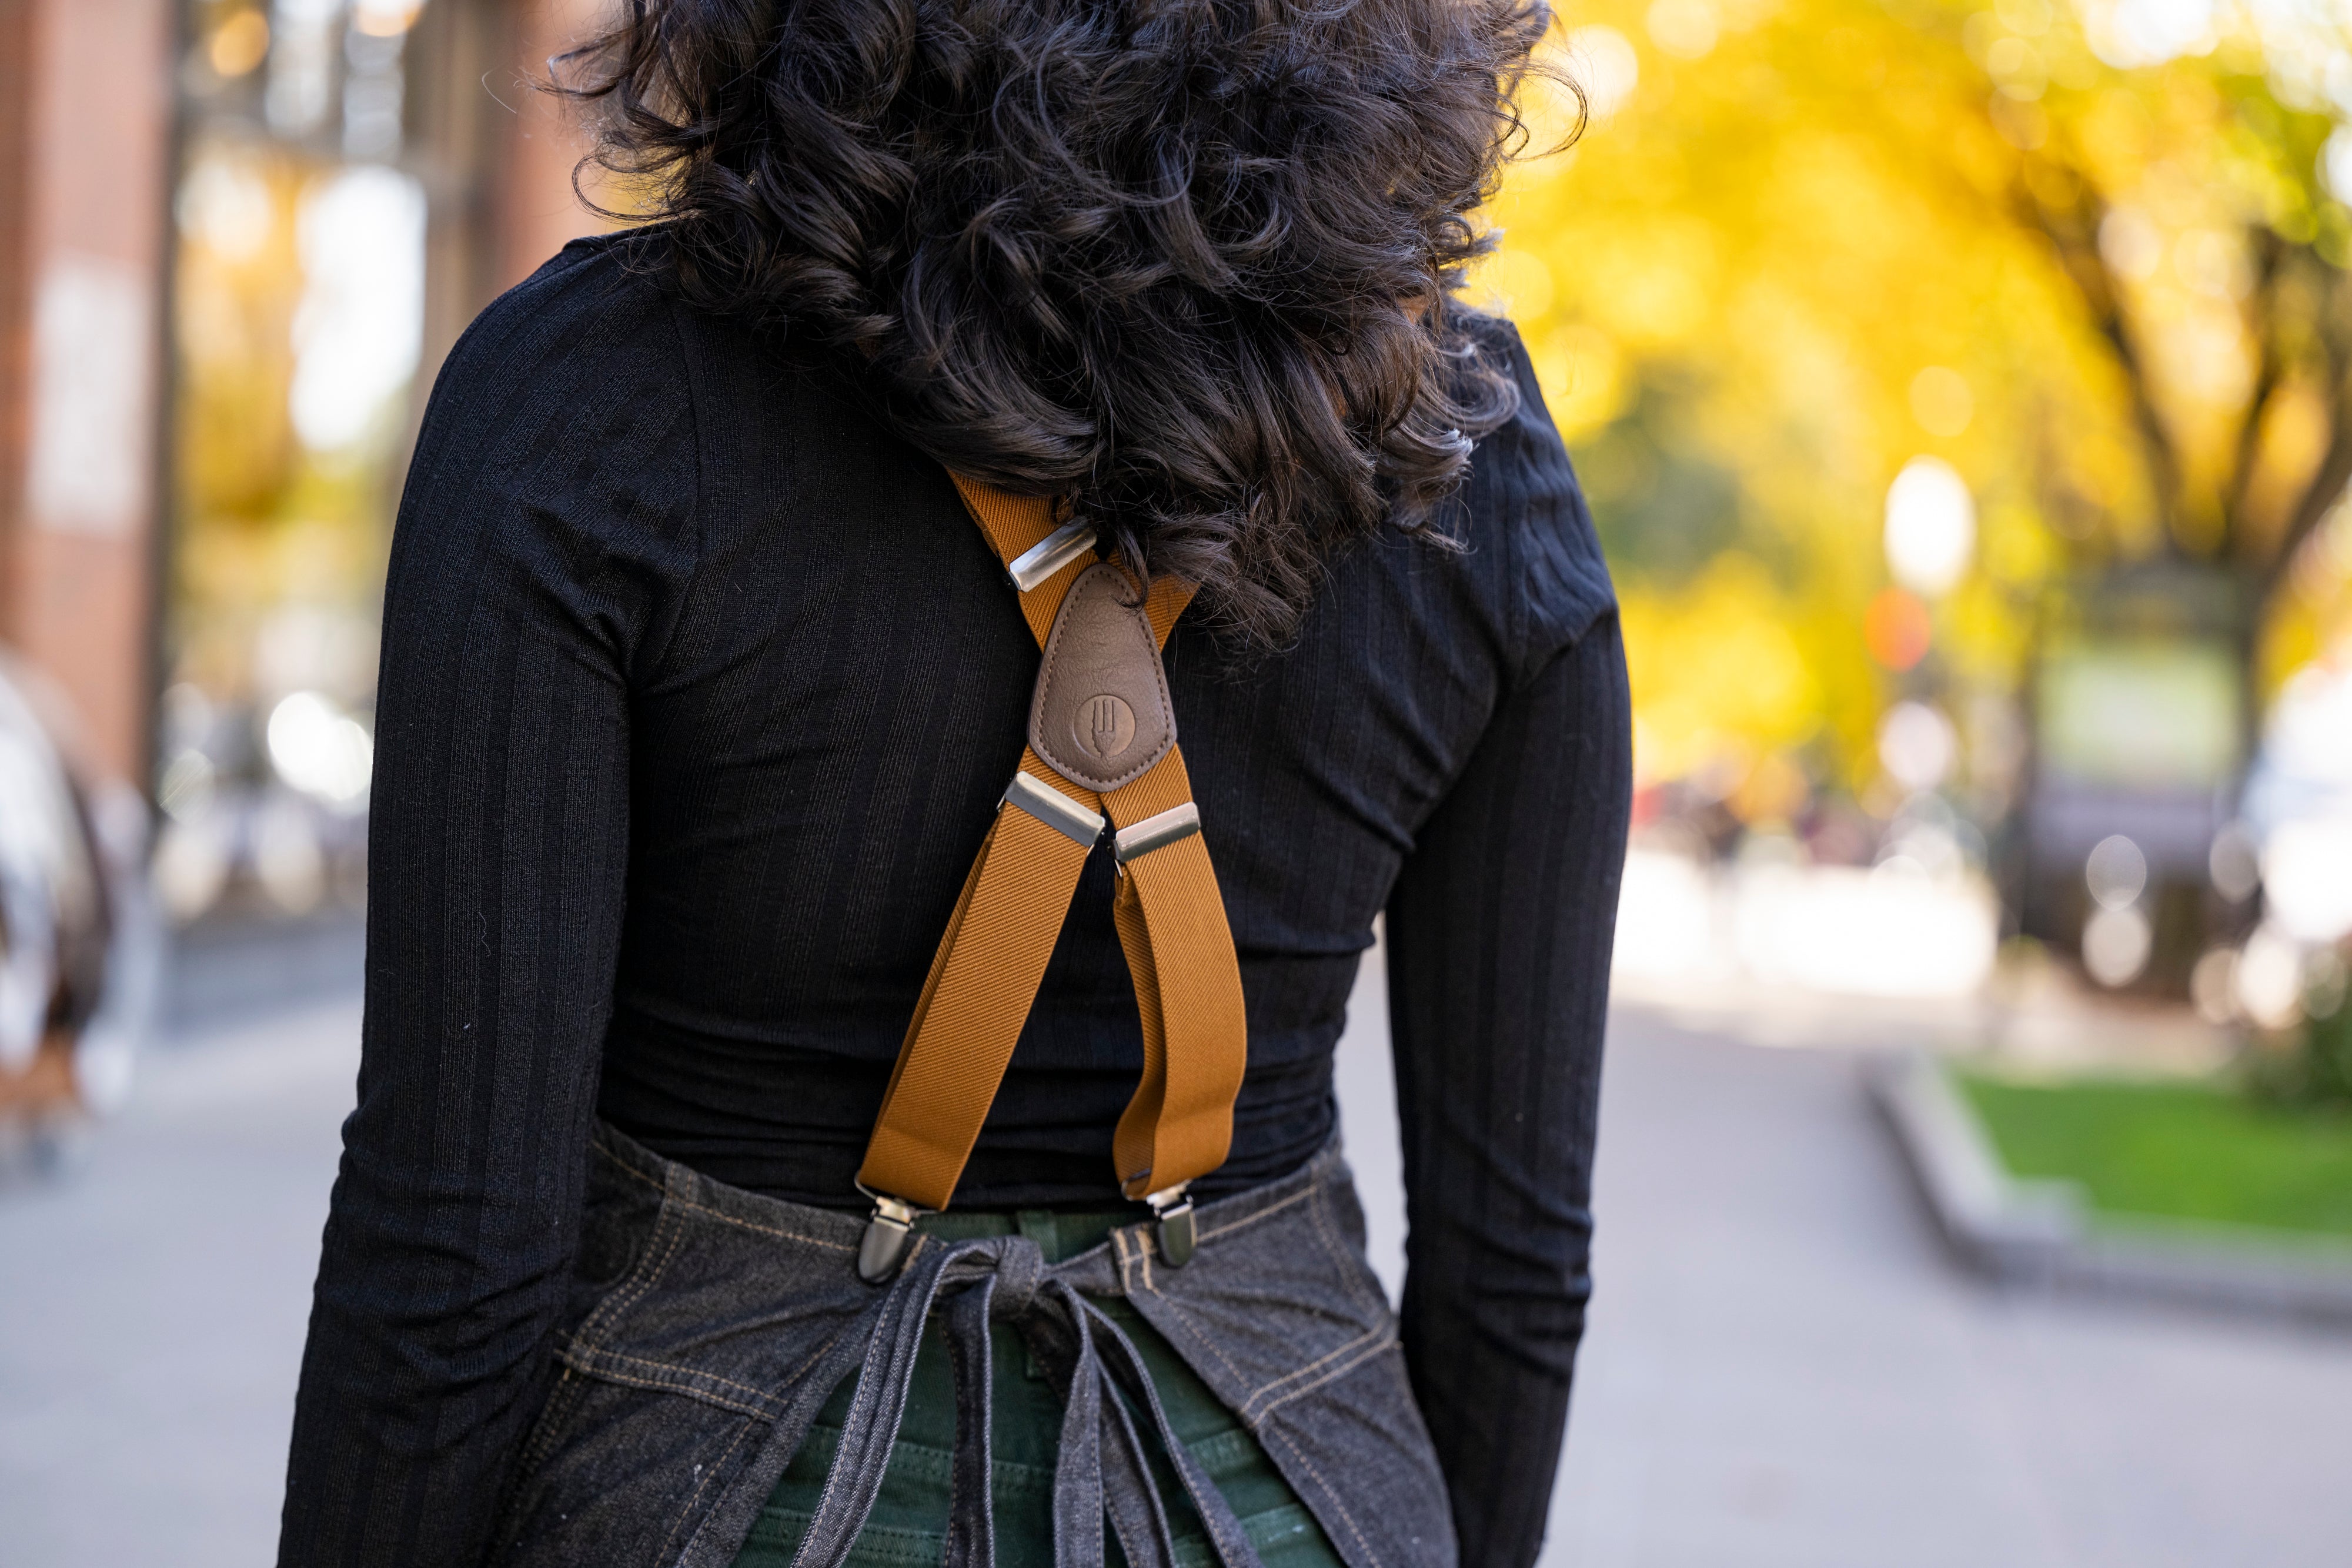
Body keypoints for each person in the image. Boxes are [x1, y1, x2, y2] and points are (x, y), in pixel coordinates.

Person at [277, 0, 1629, 1564]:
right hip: (1299, 1496)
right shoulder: (1475, 457)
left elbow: (452, 1248)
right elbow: (1514, 1262)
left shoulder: (592, 403)